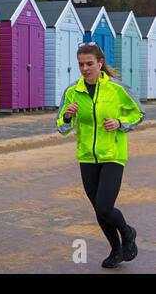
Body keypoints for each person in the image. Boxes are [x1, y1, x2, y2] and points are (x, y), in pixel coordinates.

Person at [56, 42, 145, 268]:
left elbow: (139, 113)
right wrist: (67, 116)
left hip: (113, 154)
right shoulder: (72, 92)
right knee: (98, 208)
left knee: (105, 206)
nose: (85, 68)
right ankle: (116, 249)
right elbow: (61, 127)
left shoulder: (116, 89)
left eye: (89, 63)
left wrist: (120, 123)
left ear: (100, 63)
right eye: (81, 64)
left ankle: (128, 234)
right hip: (87, 156)